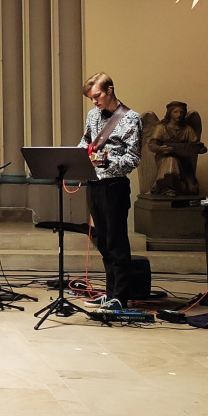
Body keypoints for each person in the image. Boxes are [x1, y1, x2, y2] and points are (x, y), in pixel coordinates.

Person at [77, 72, 142, 309]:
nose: (94, 102)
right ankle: (110, 291)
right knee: (102, 240)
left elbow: (133, 157)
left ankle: (120, 296)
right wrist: (79, 156)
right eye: (91, 98)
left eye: (97, 96)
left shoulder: (131, 118)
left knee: (116, 241)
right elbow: (85, 141)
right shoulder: (92, 115)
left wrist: (106, 163)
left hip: (114, 185)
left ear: (110, 90)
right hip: (94, 183)